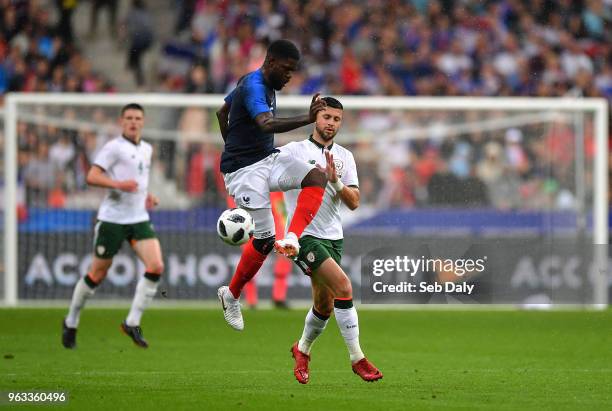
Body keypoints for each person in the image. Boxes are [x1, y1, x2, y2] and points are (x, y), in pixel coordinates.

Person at [215, 39, 328, 331]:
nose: (290, 76)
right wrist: (308, 117)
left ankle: (291, 237)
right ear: (271, 63)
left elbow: (221, 112)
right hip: (244, 172)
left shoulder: (254, 84)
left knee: (317, 176)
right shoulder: (253, 86)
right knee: (264, 241)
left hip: (266, 159)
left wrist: (233, 144)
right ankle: (231, 294)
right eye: (287, 70)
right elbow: (265, 124)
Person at [282, 97, 383, 383]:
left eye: (336, 119)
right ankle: (357, 358)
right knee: (344, 286)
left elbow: (354, 203)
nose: (331, 123)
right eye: (326, 117)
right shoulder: (293, 151)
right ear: (315, 117)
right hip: (304, 236)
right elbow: (268, 173)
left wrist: (336, 180)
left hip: (334, 237)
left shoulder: (345, 157)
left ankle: (302, 350)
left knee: (324, 305)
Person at [62, 103, 163, 349]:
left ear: (143, 121)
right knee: (97, 274)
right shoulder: (113, 148)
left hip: (138, 218)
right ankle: (71, 320)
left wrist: (146, 195)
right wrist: (118, 186)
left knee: (156, 266)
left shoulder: (147, 149)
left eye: (138, 118)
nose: (133, 121)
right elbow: (91, 176)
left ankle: (132, 322)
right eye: (128, 117)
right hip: (112, 221)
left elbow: (137, 181)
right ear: (121, 121)